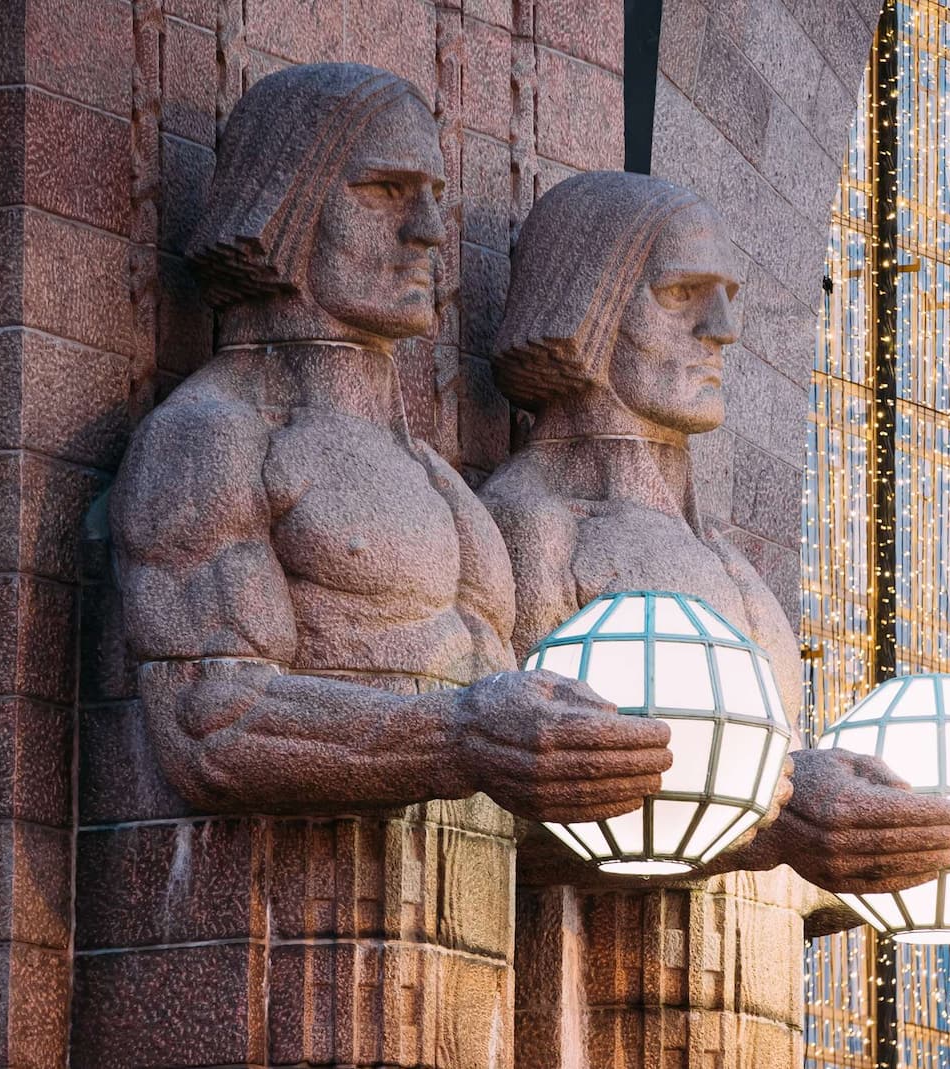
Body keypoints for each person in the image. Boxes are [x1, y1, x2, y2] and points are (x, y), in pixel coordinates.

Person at [106, 66, 672, 1066]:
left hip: (471, 986)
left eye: (438, 201)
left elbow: (518, 778)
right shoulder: (216, 433)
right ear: (283, 203)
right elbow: (207, 722)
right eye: (383, 191)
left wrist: (763, 796)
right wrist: (460, 728)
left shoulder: (442, 481)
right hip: (277, 972)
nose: (425, 233)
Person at [483, 171, 950, 1066]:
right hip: (593, 1018)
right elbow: (495, 811)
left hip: (753, 1021)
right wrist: (781, 826)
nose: (722, 328)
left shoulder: (725, 561)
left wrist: (929, 854)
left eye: (728, 297)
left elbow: (776, 841)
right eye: (682, 293)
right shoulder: (534, 524)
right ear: (585, 303)